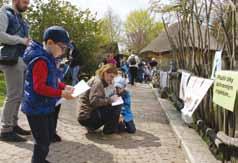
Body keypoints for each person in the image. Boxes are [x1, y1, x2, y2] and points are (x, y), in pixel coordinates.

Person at [21, 26, 75, 163]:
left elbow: (52, 81)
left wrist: (64, 86)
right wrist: (61, 93)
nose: (63, 51)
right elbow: (39, 87)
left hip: (43, 106)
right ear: (50, 43)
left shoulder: (49, 58)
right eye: (62, 47)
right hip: (36, 108)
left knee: (46, 138)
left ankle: (40, 160)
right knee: (42, 142)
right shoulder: (41, 60)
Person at [0, 0, 31, 142]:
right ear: (15, 1)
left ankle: (13, 124)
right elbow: (0, 35)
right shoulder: (4, 12)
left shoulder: (20, 18)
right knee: (13, 94)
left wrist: (28, 42)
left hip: (21, 59)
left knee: (18, 95)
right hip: (11, 59)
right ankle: (5, 130)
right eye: (24, 2)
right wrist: (20, 40)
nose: (27, 5)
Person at [77, 64, 122, 139]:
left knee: (114, 103)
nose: (112, 79)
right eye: (111, 76)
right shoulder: (98, 82)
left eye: (113, 77)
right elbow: (94, 101)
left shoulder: (97, 79)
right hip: (87, 117)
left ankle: (91, 127)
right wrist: (110, 100)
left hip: (84, 116)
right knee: (116, 104)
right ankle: (108, 133)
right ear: (105, 73)